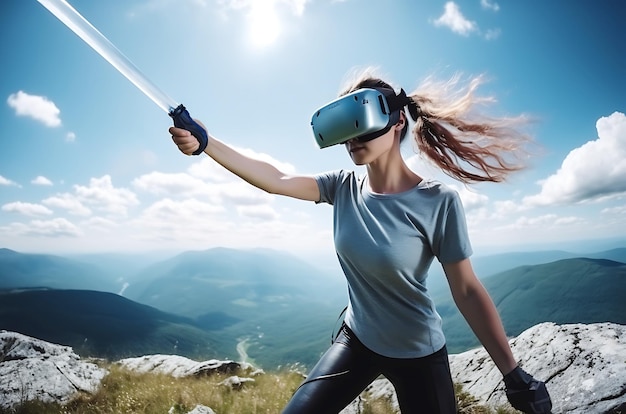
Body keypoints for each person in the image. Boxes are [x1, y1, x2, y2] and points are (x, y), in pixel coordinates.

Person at [169, 69, 552, 414]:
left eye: (363, 123)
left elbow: (467, 290)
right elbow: (276, 181)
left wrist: (513, 374)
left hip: (418, 353)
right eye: (346, 129)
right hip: (357, 340)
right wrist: (206, 142)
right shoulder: (343, 186)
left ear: (398, 120)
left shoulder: (437, 201)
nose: (352, 139)